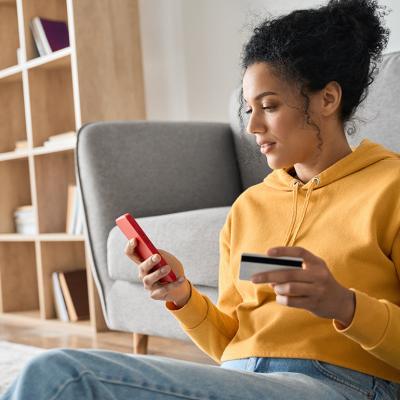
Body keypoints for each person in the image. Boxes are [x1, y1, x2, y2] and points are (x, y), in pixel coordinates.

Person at [2, 0, 400, 399]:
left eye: (269, 106)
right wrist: (182, 297)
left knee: (63, 377)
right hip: (243, 378)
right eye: (249, 109)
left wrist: (345, 306)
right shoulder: (250, 207)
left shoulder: (391, 187)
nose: (252, 126)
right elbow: (229, 344)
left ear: (328, 99)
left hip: (343, 384)